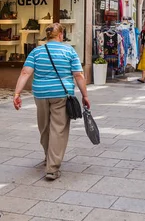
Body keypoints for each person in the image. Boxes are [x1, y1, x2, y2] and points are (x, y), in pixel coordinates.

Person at [13, 23, 89, 181]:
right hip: (61, 94)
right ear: (60, 35)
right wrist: (85, 95)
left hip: (40, 94)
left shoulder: (36, 51)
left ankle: (49, 157)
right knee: (58, 129)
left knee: (44, 126)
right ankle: (52, 168)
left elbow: (25, 72)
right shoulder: (69, 51)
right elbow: (78, 75)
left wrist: (17, 93)